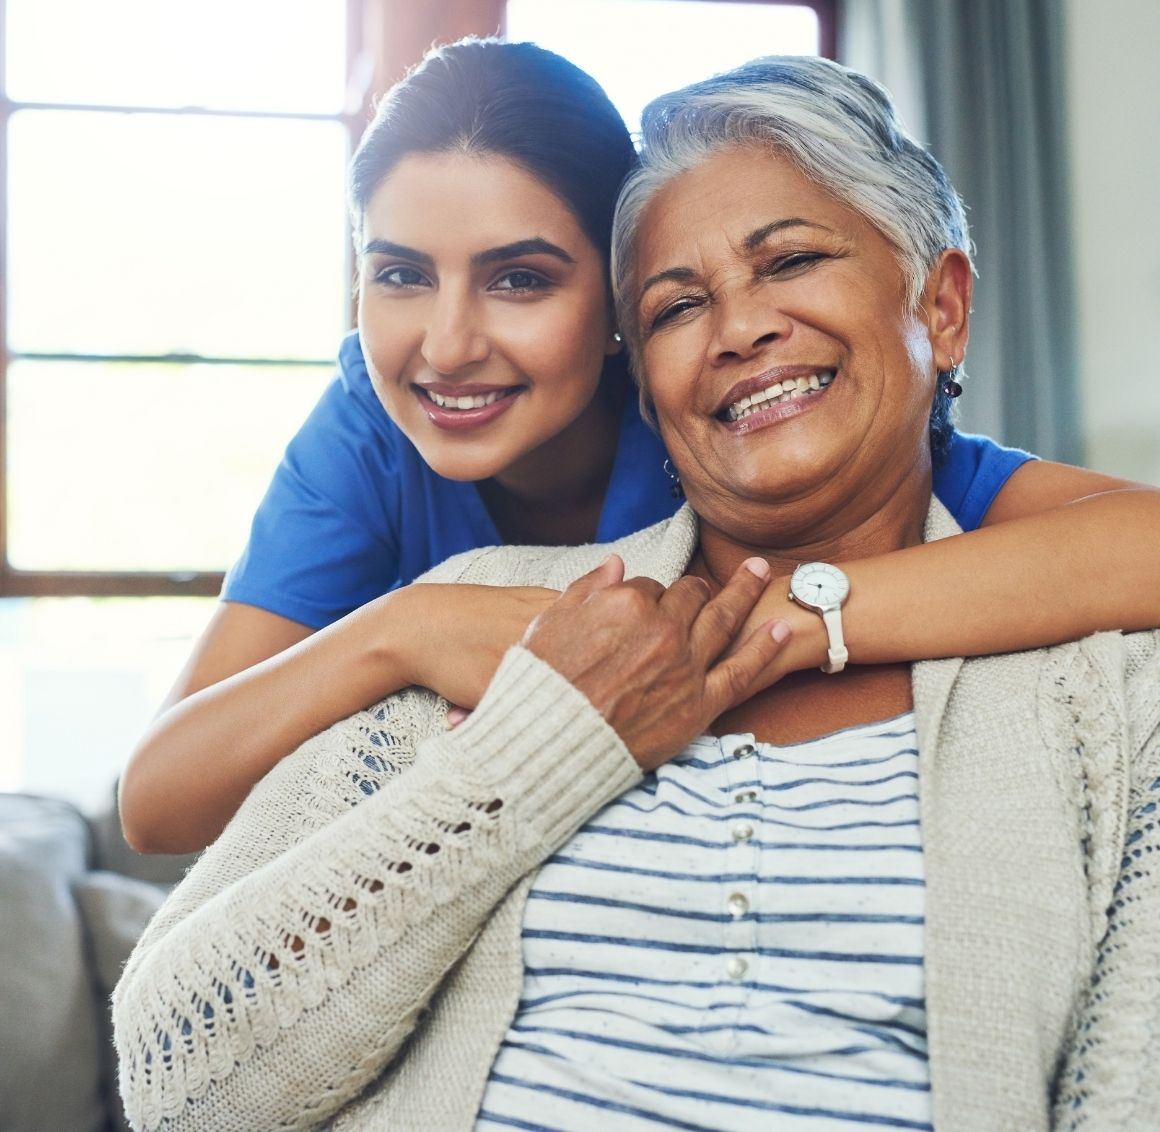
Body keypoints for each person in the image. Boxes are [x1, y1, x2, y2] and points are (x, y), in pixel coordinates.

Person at [113, 54, 1159, 1131]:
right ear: (643, 354)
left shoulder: (849, 452)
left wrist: (785, 618)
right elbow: (161, 832)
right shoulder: (380, 454)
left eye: (521, 277)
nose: (451, 343)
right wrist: (408, 630)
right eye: (676, 306)